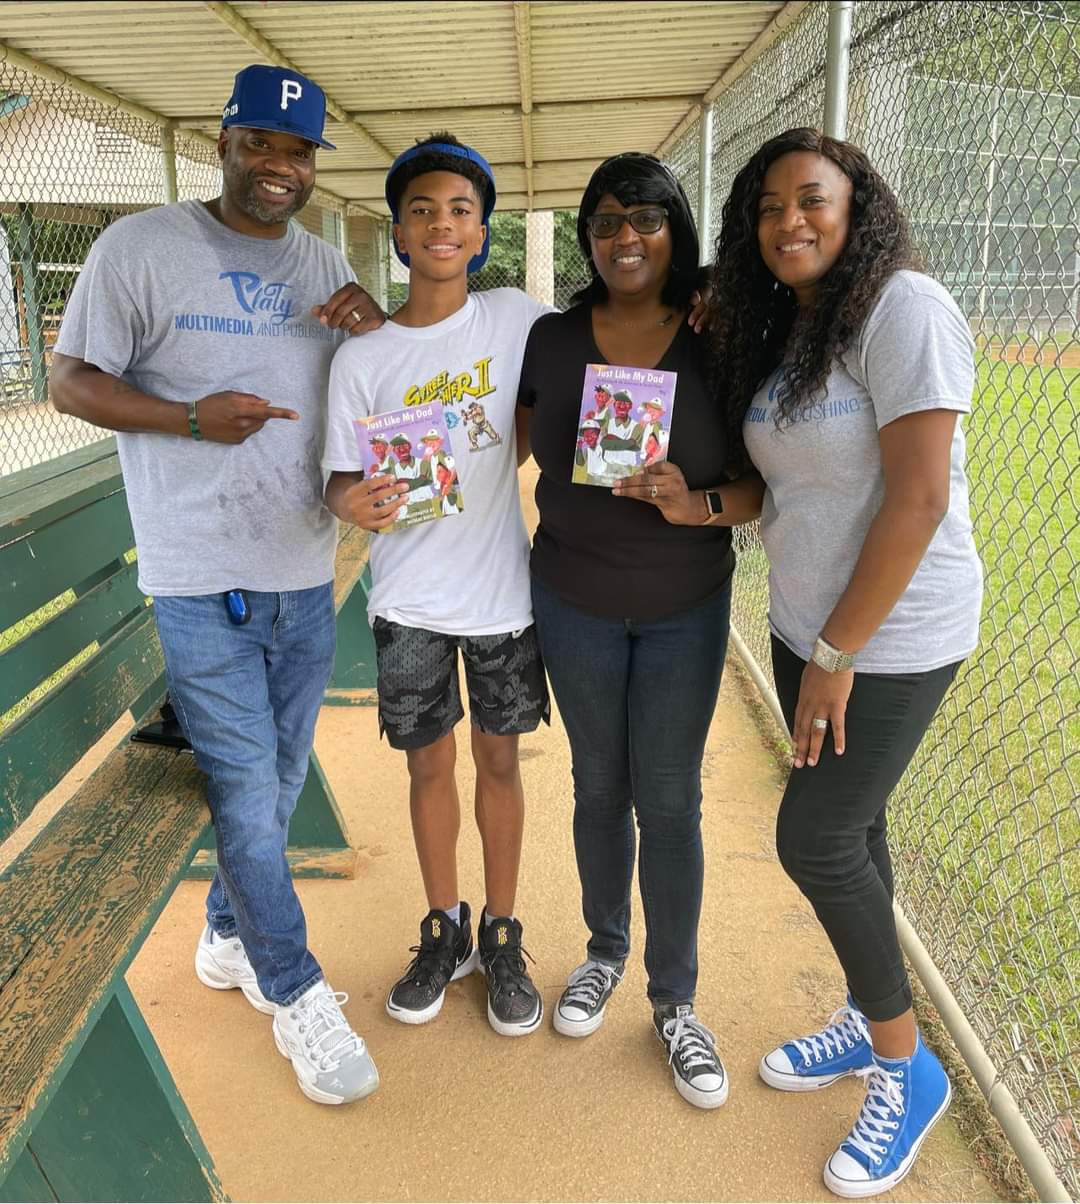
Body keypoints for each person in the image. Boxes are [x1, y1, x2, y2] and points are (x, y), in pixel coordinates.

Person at [49, 64, 385, 1107]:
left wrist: (374, 326)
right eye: (259, 144)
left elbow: (359, 393)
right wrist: (190, 418)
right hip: (200, 578)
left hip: (299, 564)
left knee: (280, 779)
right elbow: (68, 381)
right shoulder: (139, 250)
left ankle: (228, 937)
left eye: (298, 152)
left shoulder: (322, 258)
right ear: (222, 142)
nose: (279, 167)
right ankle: (294, 989)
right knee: (244, 784)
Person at [708, 127, 983, 1196]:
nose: (790, 222)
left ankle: (908, 1071)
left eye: (811, 200)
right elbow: (786, 488)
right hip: (805, 625)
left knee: (815, 840)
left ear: (857, 204)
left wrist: (838, 652)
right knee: (857, 830)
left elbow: (916, 499)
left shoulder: (903, 308)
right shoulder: (791, 325)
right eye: (769, 209)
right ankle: (874, 1021)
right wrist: (701, 504)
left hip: (890, 637)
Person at [516, 152, 765, 1108]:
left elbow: (752, 489)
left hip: (682, 609)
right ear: (587, 235)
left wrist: (690, 502)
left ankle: (676, 1002)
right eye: (609, 221)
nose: (628, 237)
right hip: (573, 598)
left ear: (677, 232)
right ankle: (603, 952)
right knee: (597, 785)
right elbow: (501, 422)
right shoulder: (550, 339)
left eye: (649, 220)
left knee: (667, 799)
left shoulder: (718, 337)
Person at [323, 133, 551, 1037]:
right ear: (400, 234)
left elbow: (547, 400)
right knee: (429, 765)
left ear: (483, 230)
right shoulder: (364, 358)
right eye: (422, 211)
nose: (442, 224)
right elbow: (338, 480)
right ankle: (444, 927)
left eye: (460, 209)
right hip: (408, 598)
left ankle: (501, 931)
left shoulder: (515, 319)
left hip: (501, 594)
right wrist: (361, 502)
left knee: (501, 760)